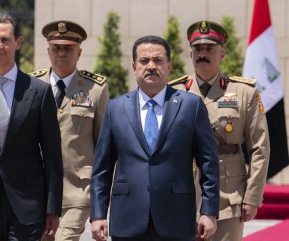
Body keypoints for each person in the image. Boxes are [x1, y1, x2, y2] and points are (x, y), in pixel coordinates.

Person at [90, 35, 220, 241]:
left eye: (158, 60)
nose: (151, 66)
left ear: (169, 66)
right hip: (127, 218)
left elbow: (209, 163)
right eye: (144, 61)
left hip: (176, 218)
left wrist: (209, 211)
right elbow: (102, 169)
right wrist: (97, 214)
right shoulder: (115, 108)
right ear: (134, 66)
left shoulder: (191, 106)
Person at [0, 12, 63, 241]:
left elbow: (53, 155)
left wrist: (52, 208)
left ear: (18, 42)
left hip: (27, 204)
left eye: (5, 39)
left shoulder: (39, 91)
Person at [169, 20, 270, 241]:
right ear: (190, 53)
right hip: (182, 194)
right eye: (198, 49)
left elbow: (259, 148)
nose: (202, 54)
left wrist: (252, 196)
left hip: (228, 195)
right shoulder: (173, 92)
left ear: (222, 54)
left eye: (209, 49)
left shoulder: (244, 92)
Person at [30, 20, 109, 241]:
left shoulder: (96, 89)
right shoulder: (32, 85)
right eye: (56, 48)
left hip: (77, 190)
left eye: (68, 49)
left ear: (79, 52)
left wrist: (102, 193)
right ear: (48, 51)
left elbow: (103, 145)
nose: (61, 54)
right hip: (39, 190)